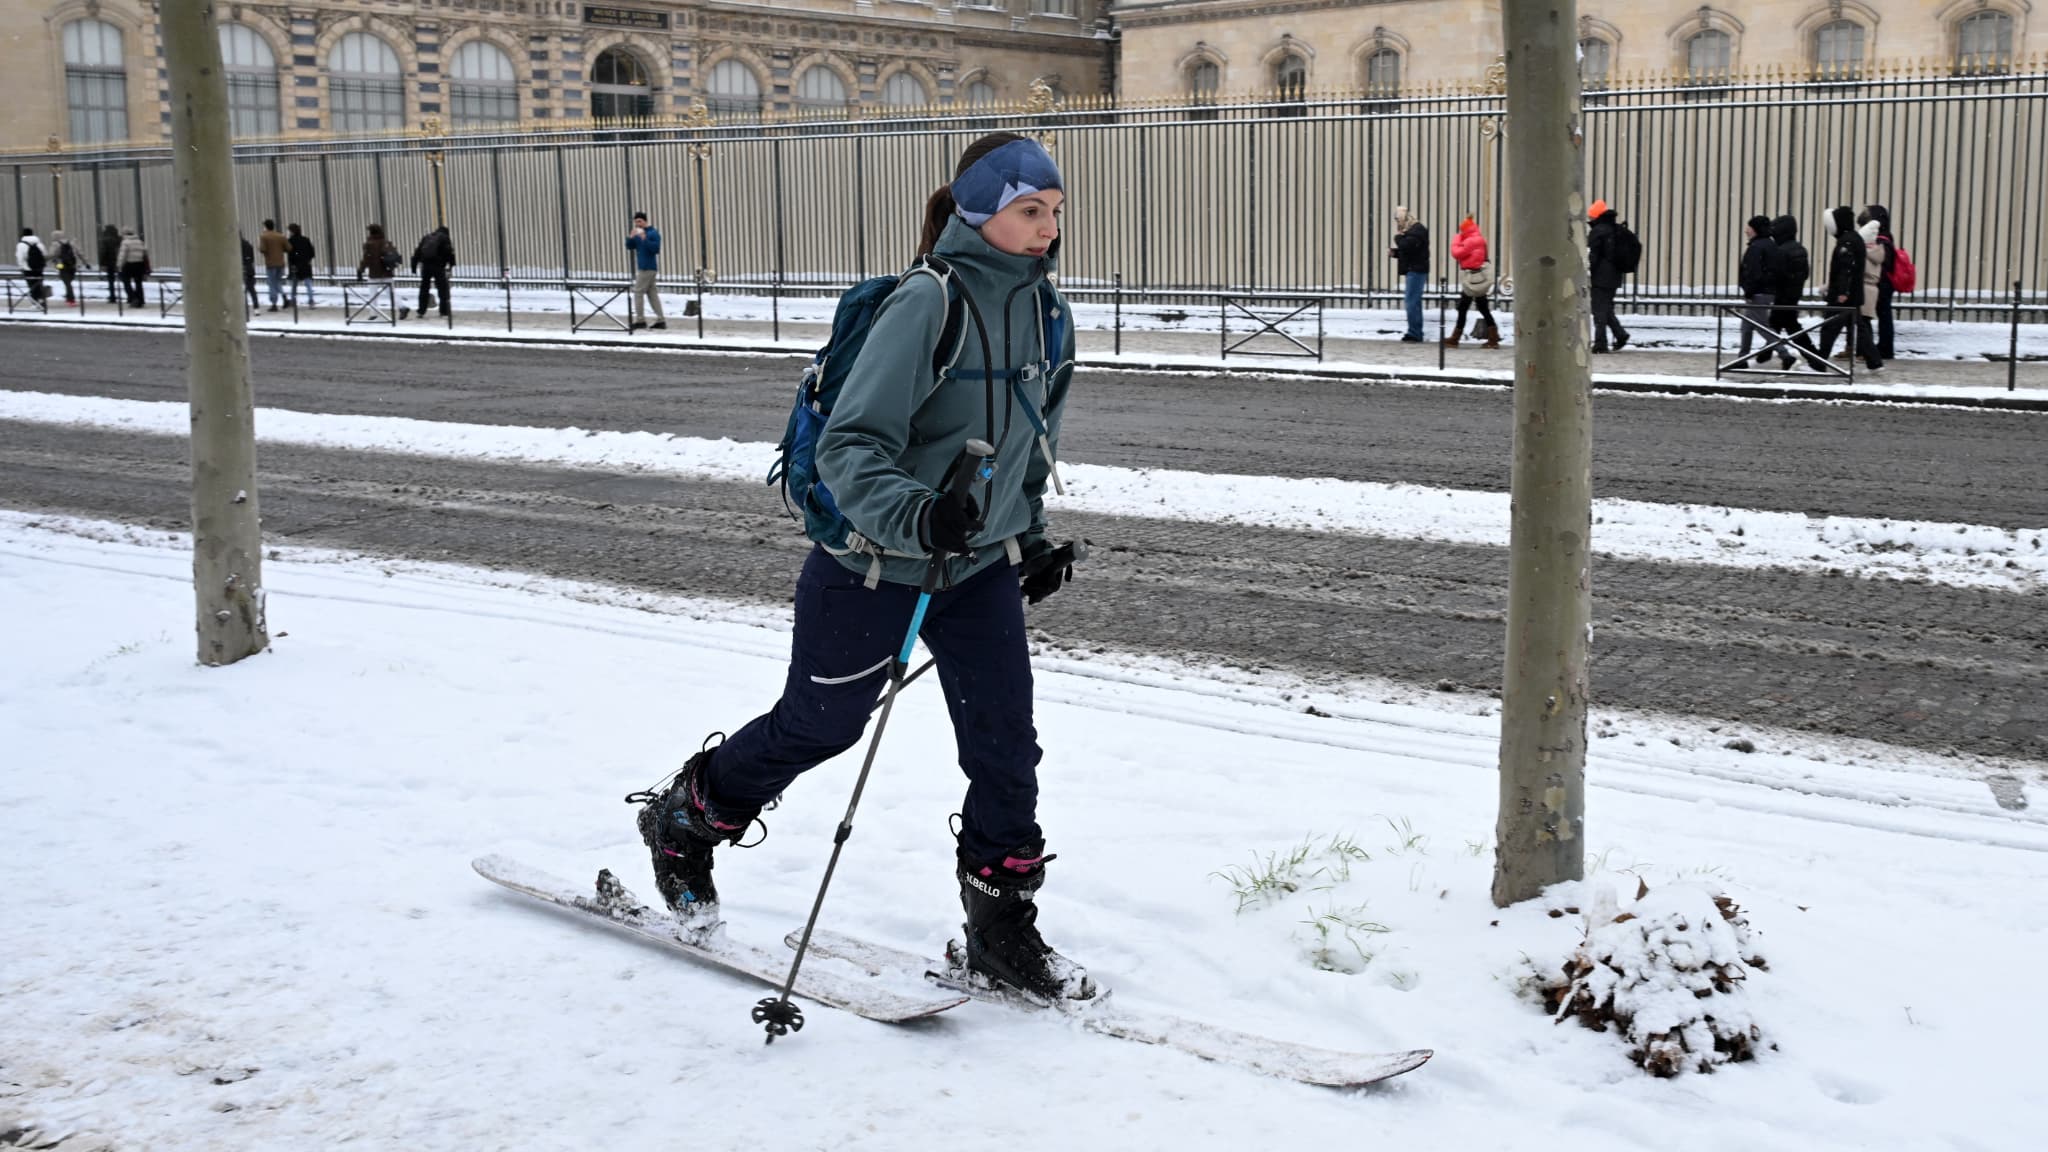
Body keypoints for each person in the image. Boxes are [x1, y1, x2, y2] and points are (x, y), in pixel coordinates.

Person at [630, 132, 1090, 1002]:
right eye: (1031, 211)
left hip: (975, 568)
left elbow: (1031, 447)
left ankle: (1000, 929)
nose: (1047, 228)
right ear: (979, 211)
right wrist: (919, 514)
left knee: (1006, 749)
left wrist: (1024, 538)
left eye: (1055, 212)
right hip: (872, 563)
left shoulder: (1048, 313)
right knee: (820, 725)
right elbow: (853, 445)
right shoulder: (927, 302)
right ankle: (684, 822)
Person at [1815, 206, 1882, 373]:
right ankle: (1875, 362)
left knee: (1830, 328)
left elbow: (1847, 268)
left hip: (1843, 296)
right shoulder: (1853, 238)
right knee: (1859, 330)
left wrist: (1842, 292)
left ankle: (1820, 361)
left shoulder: (1847, 241)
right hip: (1852, 294)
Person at [1764, 214, 1825, 371]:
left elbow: (1777, 274)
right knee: (1779, 327)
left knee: (1785, 329)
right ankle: (1767, 356)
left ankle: (1815, 361)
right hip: (1793, 294)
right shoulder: (1799, 249)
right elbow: (1804, 273)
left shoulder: (1782, 250)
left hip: (1783, 295)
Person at [1442, 215, 1500, 349]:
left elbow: (1456, 253)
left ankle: (1455, 338)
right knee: (1481, 308)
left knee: (1463, 308)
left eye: (1462, 230)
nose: (1461, 233)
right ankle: (1493, 337)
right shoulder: (1479, 238)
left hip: (1472, 279)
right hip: (1477, 278)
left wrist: (1457, 239)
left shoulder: (1471, 241)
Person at [1586, 199, 1630, 352]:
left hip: (1601, 277)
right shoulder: (1613, 228)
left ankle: (1600, 344)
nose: (1589, 220)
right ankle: (1621, 335)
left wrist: (1588, 271)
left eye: (1591, 217)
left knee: (1599, 310)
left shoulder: (1598, 231)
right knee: (1605, 309)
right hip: (1613, 276)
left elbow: (1593, 256)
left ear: (1596, 217)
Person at [1736, 215, 1777, 364]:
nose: (1746, 230)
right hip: (1766, 291)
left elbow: (1753, 271)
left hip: (1757, 293)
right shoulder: (1770, 245)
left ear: (1755, 230)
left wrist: (1749, 290)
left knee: (1762, 327)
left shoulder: (1756, 247)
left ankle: (1785, 353)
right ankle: (1742, 358)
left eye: (1749, 227)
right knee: (1746, 325)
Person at [1862, 204, 1897, 360]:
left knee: (1880, 316)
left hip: (1881, 282)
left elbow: (1882, 261)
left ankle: (1884, 348)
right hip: (1883, 282)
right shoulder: (1886, 236)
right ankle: (1883, 347)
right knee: (1883, 315)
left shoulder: (1881, 239)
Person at [1390, 206, 1428, 342]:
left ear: (1404, 218)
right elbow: (1411, 251)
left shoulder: (1417, 230)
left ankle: (1415, 333)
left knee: (1412, 302)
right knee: (1413, 302)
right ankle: (1415, 332)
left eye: (1398, 220)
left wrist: (1398, 238)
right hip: (1414, 269)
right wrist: (1395, 253)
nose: (1398, 224)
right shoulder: (1413, 230)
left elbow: (1407, 246)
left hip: (1416, 270)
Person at [625, 211, 666, 330]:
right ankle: (661, 320)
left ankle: (640, 320)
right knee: (652, 294)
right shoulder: (638, 233)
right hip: (643, 267)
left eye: (640, 221)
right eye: (636, 221)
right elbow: (629, 246)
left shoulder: (653, 233)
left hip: (648, 268)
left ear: (645, 221)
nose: (638, 224)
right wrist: (630, 238)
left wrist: (644, 238)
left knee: (638, 292)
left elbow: (655, 249)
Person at [410, 225, 454, 319]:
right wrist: (451, 265)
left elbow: (417, 252)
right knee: (442, 288)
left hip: (425, 266)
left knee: (424, 288)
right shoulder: (444, 238)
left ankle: (421, 311)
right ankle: (444, 311)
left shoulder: (427, 237)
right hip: (438, 266)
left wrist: (413, 266)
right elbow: (449, 252)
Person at [258, 219, 289, 310]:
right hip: (280, 262)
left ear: (266, 226)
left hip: (270, 263)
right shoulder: (280, 236)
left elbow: (262, 249)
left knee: (271, 283)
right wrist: (279, 250)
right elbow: (289, 248)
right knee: (277, 282)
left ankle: (274, 303)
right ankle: (284, 297)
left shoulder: (264, 236)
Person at [116, 227, 150, 307]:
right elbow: (145, 253)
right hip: (139, 264)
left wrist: (119, 265)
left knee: (126, 282)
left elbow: (122, 255)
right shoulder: (140, 241)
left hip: (128, 264)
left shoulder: (125, 242)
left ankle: (133, 298)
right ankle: (141, 299)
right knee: (138, 282)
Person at [286, 223, 317, 307]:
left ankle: (293, 300)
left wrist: (292, 262)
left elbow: (290, 254)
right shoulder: (306, 239)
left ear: (291, 231)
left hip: (295, 265)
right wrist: (307, 259)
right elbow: (312, 253)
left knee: (294, 285)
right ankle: (311, 301)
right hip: (306, 265)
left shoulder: (290, 241)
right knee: (308, 284)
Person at [15, 228, 47, 304]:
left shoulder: (21, 245)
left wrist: (21, 266)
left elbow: (20, 257)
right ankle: (41, 300)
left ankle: (35, 301)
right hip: (39, 268)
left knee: (31, 285)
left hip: (28, 268)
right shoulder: (39, 243)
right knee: (39, 284)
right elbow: (44, 254)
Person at [50, 230, 81, 305]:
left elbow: (51, 255)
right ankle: (68, 297)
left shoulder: (55, 244)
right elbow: (79, 253)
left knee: (67, 283)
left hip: (62, 266)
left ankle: (71, 299)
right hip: (72, 265)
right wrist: (85, 263)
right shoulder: (71, 243)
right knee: (68, 282)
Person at [98, 224, 123, 303]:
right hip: (120, 261)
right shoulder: (119, 239)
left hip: (110, 262)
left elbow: (103, 252)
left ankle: (112, 297)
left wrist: (101, 263)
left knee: (111, 280)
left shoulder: (105, 240)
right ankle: (131, 296)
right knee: (124, 279)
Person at [240, 235, 261, 312]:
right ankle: (256, 308)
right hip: (249, 269)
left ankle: (245, 309)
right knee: (251, 289)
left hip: (242, 269)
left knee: (243, 290)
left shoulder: (236, 245)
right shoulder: (248, 244)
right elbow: (252, 258)